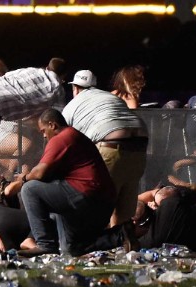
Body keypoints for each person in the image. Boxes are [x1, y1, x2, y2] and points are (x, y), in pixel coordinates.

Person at [17, 109, 116, 256]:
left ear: (52, 125)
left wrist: (23, 178)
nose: (44, 136)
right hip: (103, 201)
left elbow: (39, 173)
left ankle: (45, 244)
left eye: (43, 130)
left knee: (29, 189)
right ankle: (120, 236)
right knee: (70, 250)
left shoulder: (62, 138)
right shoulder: (75, 135)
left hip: (87, 194)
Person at [61, 69, 149, 225]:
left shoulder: (71, 106)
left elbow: (61, 144)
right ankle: (125, 244)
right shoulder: (110, 97)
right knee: (123, 213)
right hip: (140, 146)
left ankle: (97, 246)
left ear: (75, 88)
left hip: (112, 145)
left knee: (97, 204)